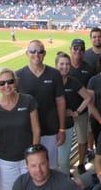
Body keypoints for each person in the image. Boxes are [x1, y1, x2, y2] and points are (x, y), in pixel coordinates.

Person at [16, 40, 66, 168]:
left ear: (44, 54)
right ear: (27, 53)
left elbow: (60, 102)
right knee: (30, 168)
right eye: (33, 51)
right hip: (26, 132)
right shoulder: (18, 76)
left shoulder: (54, 74)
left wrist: (61, 129)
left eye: (40, 51)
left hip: (50, 129)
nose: (36, 54)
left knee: (51, 166)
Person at [55, 52, 93, 175]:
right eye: (61, 64)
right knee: (56, 159)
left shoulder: (73, 81)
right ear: (56, 65)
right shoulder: (52, 82)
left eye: (67, 64)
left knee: (63, 159)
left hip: (68, 124)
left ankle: (66, 176)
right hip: (54, 125)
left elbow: (88, 97)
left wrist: (77, 111)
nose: (64, 67)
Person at [68, 39, 96, 173]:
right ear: (70, 50)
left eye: (81, 49)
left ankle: (80, 163)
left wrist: (90, 110)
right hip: (65, 112)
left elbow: (92, 92)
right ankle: (65, 165)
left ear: (84, 52)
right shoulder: (64, 67)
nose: (78, 51)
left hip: (82, 111)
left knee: (82, 139)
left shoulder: (89, 69)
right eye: (75, 48)